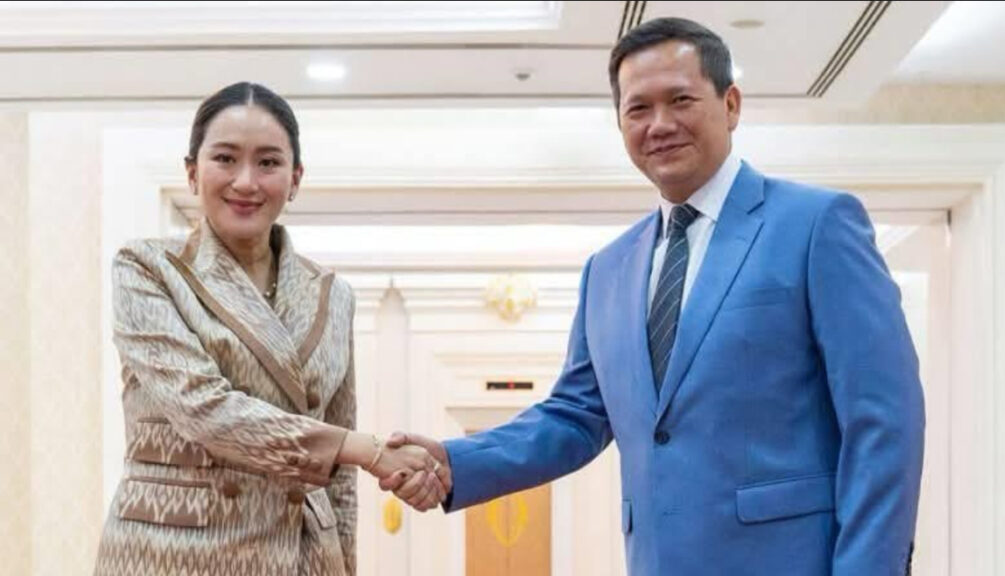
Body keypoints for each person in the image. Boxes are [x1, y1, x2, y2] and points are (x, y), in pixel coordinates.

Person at [382, 17, 925, 576]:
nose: (659, 125)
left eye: (680, 100)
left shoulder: (816, 225)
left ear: (731, 104)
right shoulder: (607, 270)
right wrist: (454, 463)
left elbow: (884, 421)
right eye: (638, 109)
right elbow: (574, 417)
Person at [93, 82, 448, 576]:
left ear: (295, 178)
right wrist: (367, 451)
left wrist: (344, 563)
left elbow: (338, 483)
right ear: (192, 172)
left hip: (302, 555)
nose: (246, 181)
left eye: (268, 162)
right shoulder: (149, 268)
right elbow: (203, 409)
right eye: (225, 158)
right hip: (174, 553)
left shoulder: (332, 294)